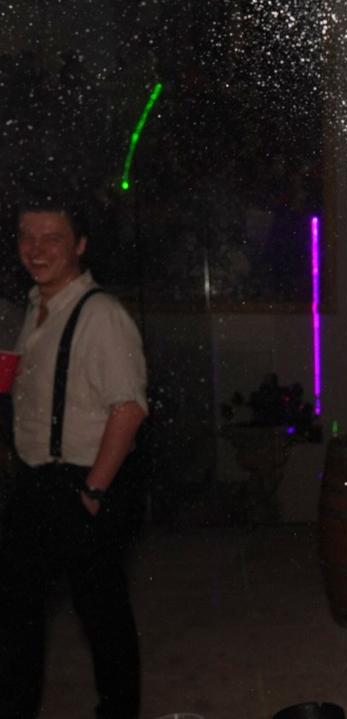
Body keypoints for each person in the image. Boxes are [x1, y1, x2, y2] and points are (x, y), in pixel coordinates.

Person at [0, 196, 148, 719]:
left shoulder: (101, 314)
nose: (36, 250)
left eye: (53, 238)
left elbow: (128, 409)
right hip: (34, 482)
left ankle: (118, 712)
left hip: (83, 483)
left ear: (80, 245)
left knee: (101, 618)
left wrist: (93, 491)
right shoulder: (35, 310)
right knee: (17, 617)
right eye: (26, 237)